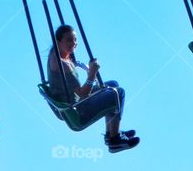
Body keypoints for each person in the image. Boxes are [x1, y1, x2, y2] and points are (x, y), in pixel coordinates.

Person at [47, 25, 138, 153]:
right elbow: (83, 94)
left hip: (72, 101)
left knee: (113, 84)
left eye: (75, 40)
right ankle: (114, 140)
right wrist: (92, 74)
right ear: (58, 41)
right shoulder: (63, 65)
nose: (73, 43)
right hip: (76, 109)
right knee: (118, 93)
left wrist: (79, 65)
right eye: (69, 40)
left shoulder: (55, 53)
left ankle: (111, 133)